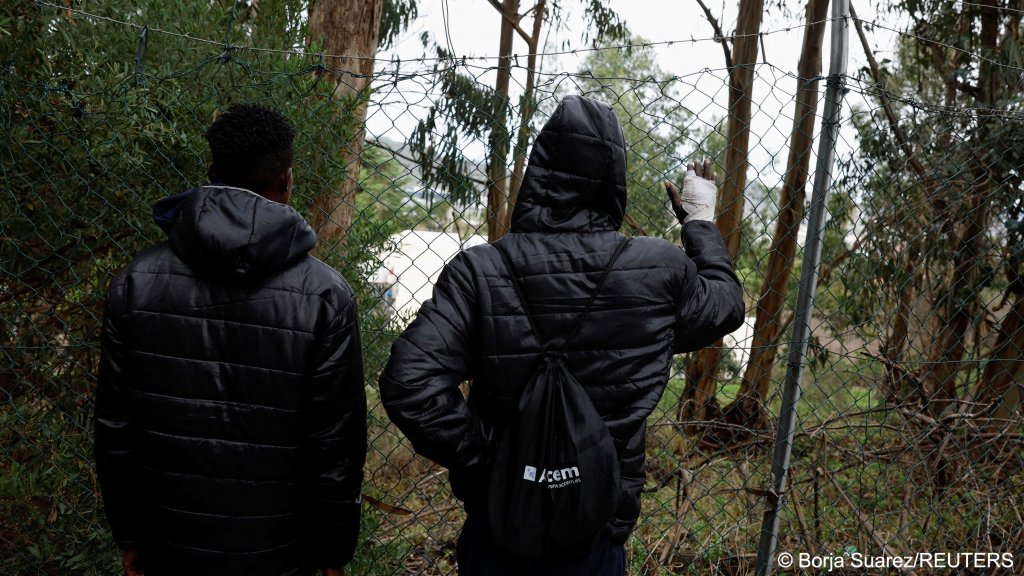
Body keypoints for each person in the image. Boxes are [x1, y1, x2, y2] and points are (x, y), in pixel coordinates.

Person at [379, 94, 745, 575]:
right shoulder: (657, 269)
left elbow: (409, 383)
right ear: (615, 177)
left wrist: (491, 461)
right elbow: (726, 305)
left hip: (498, 527)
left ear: (539, 171)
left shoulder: (479, 271)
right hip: (597, 527)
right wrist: (699, 222)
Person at [94, 103, 365, 576]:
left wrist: (131, 536)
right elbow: (336, 446)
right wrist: (333, 553)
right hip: (281, 553)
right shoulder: (325, 295)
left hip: (168, 546)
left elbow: (116, 430)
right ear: (286, 180)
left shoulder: (135, 282)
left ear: (211, 172)